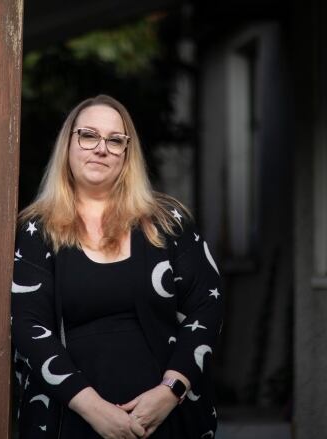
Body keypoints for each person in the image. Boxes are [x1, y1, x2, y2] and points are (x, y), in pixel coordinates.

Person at [11, 95, 223, 439]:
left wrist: (170, 392)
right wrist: (96, 411)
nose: (101, 148)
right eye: (88, 135)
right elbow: (27, 326)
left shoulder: (168, 223)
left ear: (127, 154)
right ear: (68, 144)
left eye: (114, 140)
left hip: (167, 422)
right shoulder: (38, 230)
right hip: (71, 422)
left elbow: (206, 308)